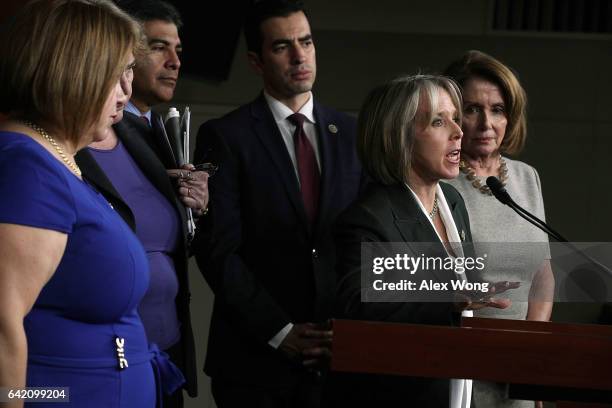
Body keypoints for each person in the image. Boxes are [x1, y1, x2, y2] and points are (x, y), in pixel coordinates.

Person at [0, 0, 183, 406]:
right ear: (75, 73)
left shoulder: (54, 158)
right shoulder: (27, 165)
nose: (127, 91)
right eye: (117, 75)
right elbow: (1, 325)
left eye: (129, 74)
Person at [193, 1, 365, 407]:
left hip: (337, 357)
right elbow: (218, 249)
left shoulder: (353, 134)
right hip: (254, 362)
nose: (299, 55)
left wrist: (349, 329)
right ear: (256, 61)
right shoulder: (225, 135)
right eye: (282, 46)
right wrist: (280, 331)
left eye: (306, 42)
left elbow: (363, 242)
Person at [331, 75, 514, 408]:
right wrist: (449, 298)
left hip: (455, 385)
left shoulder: (452, 204)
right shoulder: (368, 218)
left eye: (456, 119)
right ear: (399, 137)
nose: (459, 132)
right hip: (399, 394)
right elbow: (357, 303)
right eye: (439, 122)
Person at [74, 0, 206, 406]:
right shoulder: (46, 148)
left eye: (129, 70)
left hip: (164, 355)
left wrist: (194, 210)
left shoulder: (145, 131)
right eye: (156, 47)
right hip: (96, 364)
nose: (174, 62)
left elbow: (168, 241)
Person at [444, 50, 554, 408]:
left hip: (520, 369)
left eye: (497, 110)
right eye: (472, 108)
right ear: (451, 115)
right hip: (462, 366)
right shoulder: (439, 182)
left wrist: (532, 347)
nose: (486, 122)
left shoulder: (526, 177)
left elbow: (543, 271)